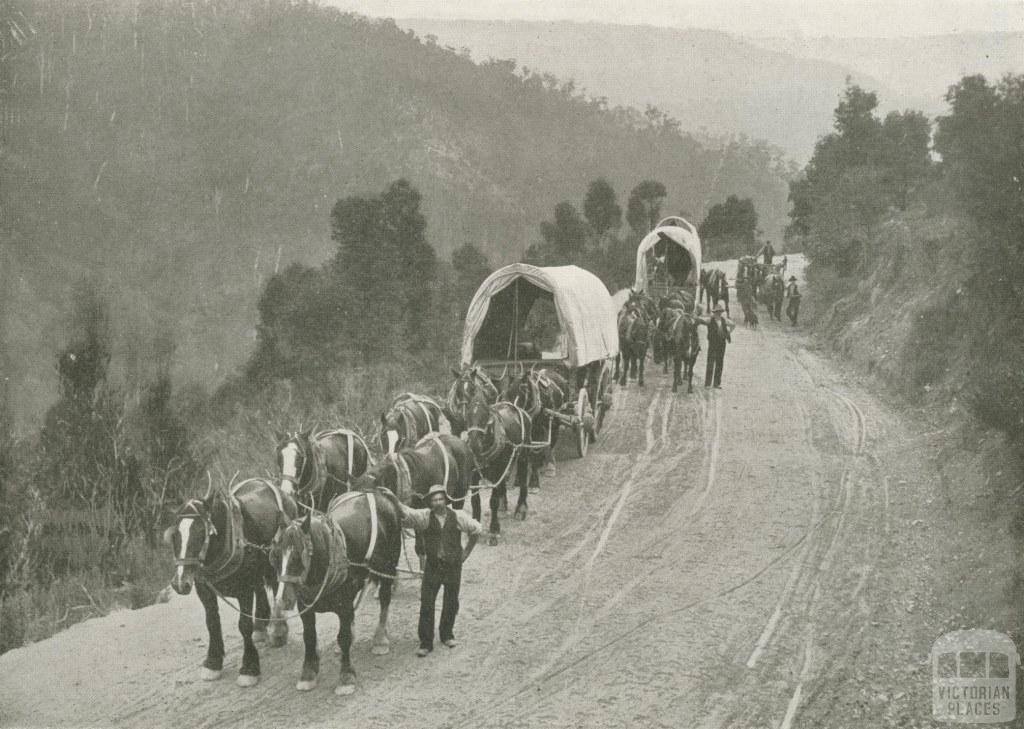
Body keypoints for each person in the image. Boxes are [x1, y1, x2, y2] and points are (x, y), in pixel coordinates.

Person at [400, 484, 483, 657]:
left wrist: (466, 552)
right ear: (430, 502)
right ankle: (426, 643)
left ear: (446, 500)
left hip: (453, 567)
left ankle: (447, 635)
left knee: (451, 601)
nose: (438, 502)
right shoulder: (424, 517)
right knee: (427, 603)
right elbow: (406, 514)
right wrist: (392, 499)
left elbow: (476, 529)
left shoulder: (458, 516)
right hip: (433, 567)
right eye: (434, 500)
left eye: (440, 499)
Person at [698, 302, 735, 389]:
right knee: (710, 362)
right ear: (714, 313)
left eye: (719, 312)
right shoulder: (710, 320)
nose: (717, 314)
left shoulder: (724, 320)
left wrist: (728, 333)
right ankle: (708, 383)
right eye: (716, 312)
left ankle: (717, 383)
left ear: (720, 313)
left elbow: (733, 325)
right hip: (713, 344)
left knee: (719, 363)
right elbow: (701, 320)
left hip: (721, 344)